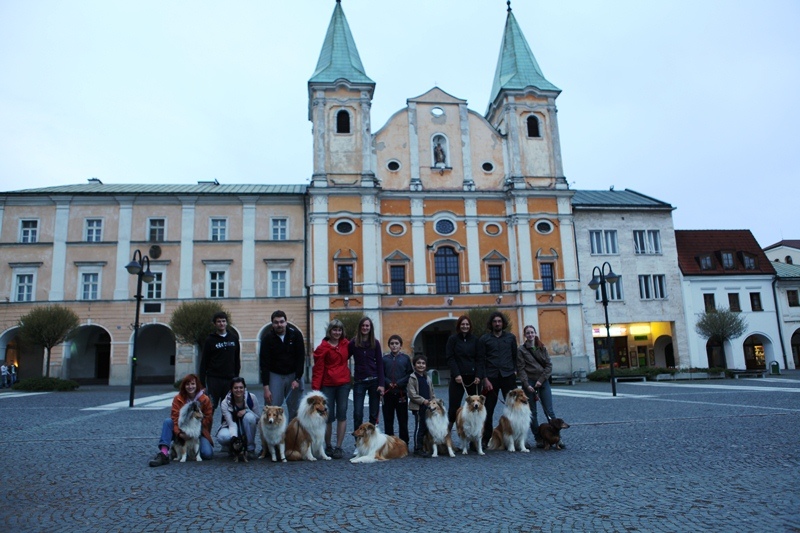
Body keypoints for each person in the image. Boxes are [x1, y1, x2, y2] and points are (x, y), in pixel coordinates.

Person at [149, 373, 214, 467]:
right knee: (168, 422)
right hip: (182, 429)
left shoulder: (205, 399)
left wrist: (195, 429)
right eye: (187, 384)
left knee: (207, 454)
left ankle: (189, 450)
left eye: (193, 384)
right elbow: (174, 418)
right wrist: (180, 434)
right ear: (184, 386)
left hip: (198, 431)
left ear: (197, 385)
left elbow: (208, 418)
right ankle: (163, 453)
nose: (190, 387)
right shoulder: (178, 398)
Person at [476, 311, 518, 444]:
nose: (497, 323)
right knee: (488, 410)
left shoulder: (510, 338)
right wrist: (485, 379)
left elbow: (515, 356)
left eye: (499, 321)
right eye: (495, 321)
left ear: (503, 323)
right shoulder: (484, 339)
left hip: (508, 376)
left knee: (514, 408)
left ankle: (515, 438)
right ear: (491, 324)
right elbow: (481, 360)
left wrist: (515, 370)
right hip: (491, 377)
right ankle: (486, 438)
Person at [311, 319, 351, 460]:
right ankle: (328, 445)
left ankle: (338, 447)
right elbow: (318, 370)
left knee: (342, 414)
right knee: (327, 416)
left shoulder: (346, 344)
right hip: (327, 384)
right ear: (330, 331)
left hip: (343, 383)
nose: (337, 332)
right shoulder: (322, 348)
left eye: (339, 330)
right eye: (334, 330)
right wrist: (315, 389)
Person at [517, 325, 560, 449]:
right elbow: (521, 369)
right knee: (533, 412)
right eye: (528, 333)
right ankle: (538, 438)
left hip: (543, 381)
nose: (530, 335)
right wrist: (527, 385)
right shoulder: (521, 350)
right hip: (529, 382)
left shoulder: (542, 347)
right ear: (525, 335)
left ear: (535, 333)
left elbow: (549, 365)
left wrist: (541, 380)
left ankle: (556, 437)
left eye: (532, 332)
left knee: (549, 410)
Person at [260, 310, 305, 420]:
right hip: (275, 375)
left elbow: (301, 358)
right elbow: (264, 364)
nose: (279, 325)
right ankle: (272, 430)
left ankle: (293, 430)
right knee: (271, 407)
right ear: (272, 324)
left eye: (281, 322)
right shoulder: (267, 339)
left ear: (286, 322)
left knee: (296, 410)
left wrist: (297, 378)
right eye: (276, 322)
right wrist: (266, 388)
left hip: (294, 375)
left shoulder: (296, 335)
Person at [445, 315, 481, 434]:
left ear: (470, 326)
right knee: (453, 407)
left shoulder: (475, 340)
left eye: (467, 324)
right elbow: (450, 358)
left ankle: (474, 436)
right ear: (459, 326)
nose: (465, 326)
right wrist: (456, 374)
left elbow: (479, 359)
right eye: (463, 324)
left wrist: (478, 375)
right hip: (457, 379)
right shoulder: (452, 339)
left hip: (473, 379)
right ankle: (447, 434)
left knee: (475, 407)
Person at [199, 312, 241, 410]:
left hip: (229, 378)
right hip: (214, 378)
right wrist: (202, 383)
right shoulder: (210, 340)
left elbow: (237, 359)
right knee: (210, 407)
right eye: (219, 321)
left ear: (226, 323)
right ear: (215, 324)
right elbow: (204, 361)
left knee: (228, 407)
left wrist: (236, 378)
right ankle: (207, 421)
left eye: (223, 321)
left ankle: (226, 421)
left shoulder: (233, 338)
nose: (221, 323)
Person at [349, 316, 384, 430]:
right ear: (360, 327)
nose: (365, 328)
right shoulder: (353, 343)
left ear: (370, 327)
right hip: (359, 381)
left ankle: (371, 438)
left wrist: (381, 384)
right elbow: (344, 357)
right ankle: (358, 439)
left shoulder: (375, 343)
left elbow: (380, 363)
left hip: (374, 381)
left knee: (373, 414)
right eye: (363, 325)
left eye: (367, 325)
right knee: (358, 413)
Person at [216, 377, 259, 459]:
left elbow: (257, 418)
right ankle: (232, 447)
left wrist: (246, 411)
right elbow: (231, 424)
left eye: (241, 387)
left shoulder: (252, 398)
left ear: (245, 388)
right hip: (230, 426)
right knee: (223, 437)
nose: (238, 390)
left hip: (247, 426)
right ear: (231, 389)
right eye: (235, 388)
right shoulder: (225, 403)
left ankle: (250, 449)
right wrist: (235, 442)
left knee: (250, 417)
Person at [382, 334, 413, 446]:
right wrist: (388, 382)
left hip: (401, 393)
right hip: (388, 393)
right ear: (389, 345)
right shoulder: (384, 359)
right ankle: (389, 443)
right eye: (392, 343)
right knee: (388, 420)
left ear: (400, 346)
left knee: (403, 420)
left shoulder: (405, 358)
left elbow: (409, 373)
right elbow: (381, 374)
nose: (394, 345)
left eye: (396, 343)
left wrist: (399, 383)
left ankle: (404, 443)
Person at [407, 354, 434, 458]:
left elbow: (432, 392)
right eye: (418, 363)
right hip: (418, 407)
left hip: (428, 407)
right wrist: (423, 401)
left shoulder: (427, 378)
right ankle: (417, 448)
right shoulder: (412, 378)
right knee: (420, 427)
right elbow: (412, 394)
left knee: (426, 427)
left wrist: (433, 401)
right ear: (414, 365)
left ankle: (426, 447)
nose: (421, 365)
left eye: (423, 363)